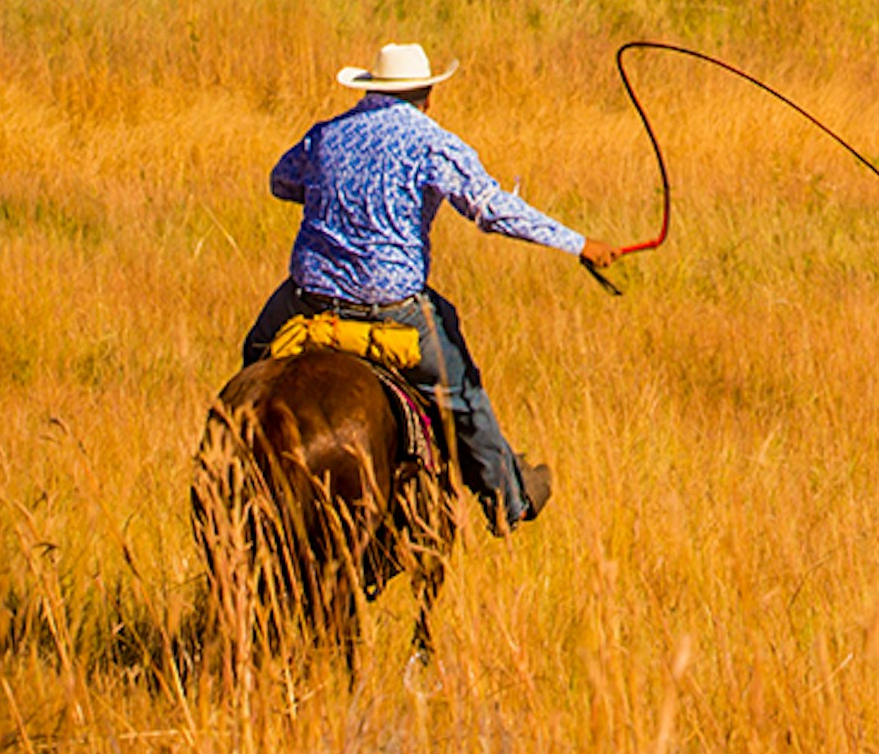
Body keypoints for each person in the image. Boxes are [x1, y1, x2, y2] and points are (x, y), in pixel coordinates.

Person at [240, 41, 611, 531]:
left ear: (370, 87)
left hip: (307, 302)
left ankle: (240, 464)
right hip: (392, 310)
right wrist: (579, 243)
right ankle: (507, 500)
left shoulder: (325, 135)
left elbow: (281, 182)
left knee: (255, 360)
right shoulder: (433, 143)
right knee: (463, 395)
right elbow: (493, 210)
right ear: (429, 96)